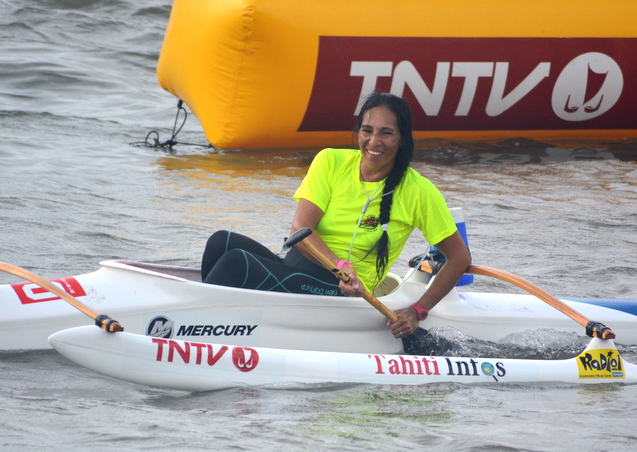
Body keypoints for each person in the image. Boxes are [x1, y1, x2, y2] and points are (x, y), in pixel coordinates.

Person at [201, 92, 471, 339]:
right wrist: (340, 265)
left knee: (236, 263)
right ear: (357, 132)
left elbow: (458, 258)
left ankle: (197, 332)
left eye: (386, 133)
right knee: (220, 242)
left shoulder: (420, 191)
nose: (374, 142)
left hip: (345, 292)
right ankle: (227, 327)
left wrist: (417, 311)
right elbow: (300, 229)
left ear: (402, 140)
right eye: (367, 131)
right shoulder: (330, 161)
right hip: (305, 267)